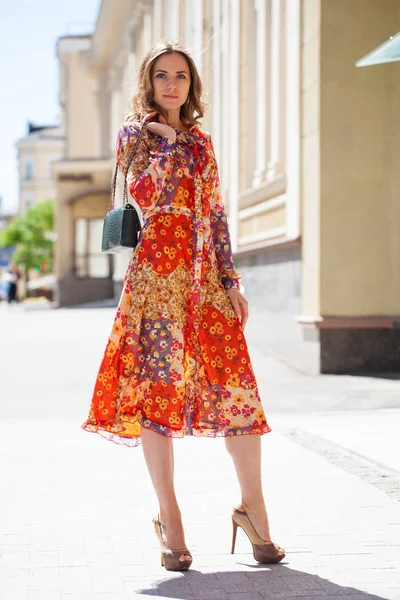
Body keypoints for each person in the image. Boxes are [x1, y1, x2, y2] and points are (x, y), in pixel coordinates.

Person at [82, 40, 285, 571]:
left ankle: (255, 511)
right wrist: (166, 142)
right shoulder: (136, 135)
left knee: (236, 391)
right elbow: (147, 195)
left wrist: (231, 280)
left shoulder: (203, 143)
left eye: (181, 77)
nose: (172, 84)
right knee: (157, 394)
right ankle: (170, 519)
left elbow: (215, 215)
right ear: (148, 84)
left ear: (191, 85)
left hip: (205, 284)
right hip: (156, 280)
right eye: (162, 76)